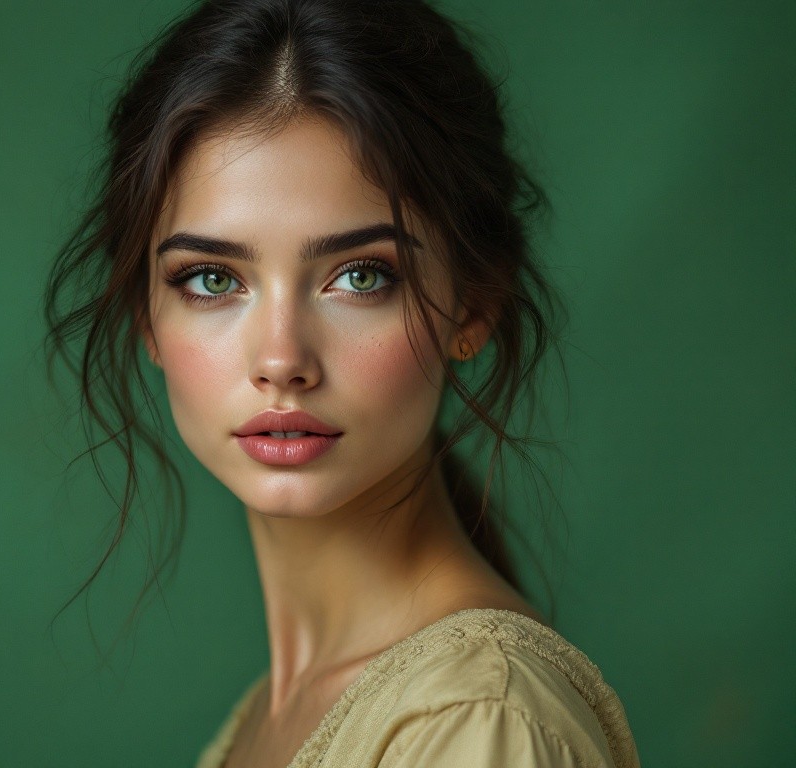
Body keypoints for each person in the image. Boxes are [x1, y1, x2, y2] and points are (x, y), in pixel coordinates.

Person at [44, 0, 641, 765]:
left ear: (474, 305)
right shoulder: (271, 716)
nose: (282, 358)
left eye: (361, 276)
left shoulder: (479, 721)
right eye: (212, 279)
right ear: (145, 317)